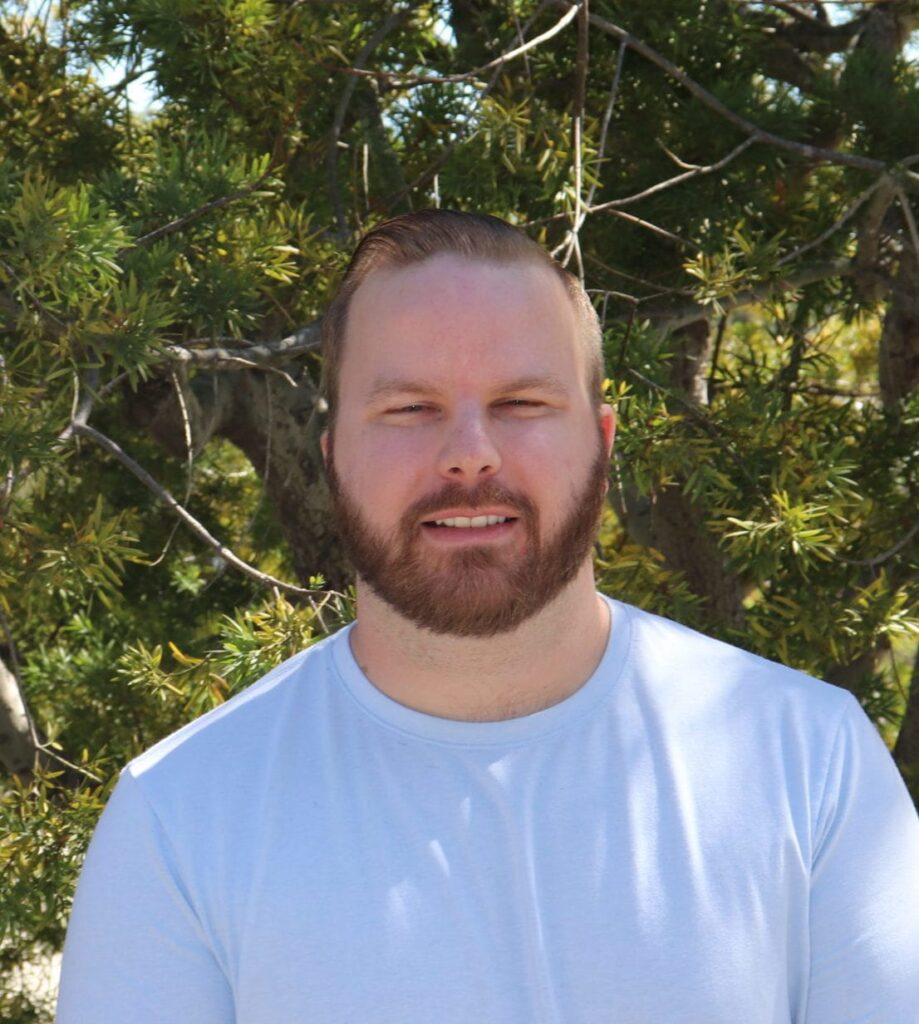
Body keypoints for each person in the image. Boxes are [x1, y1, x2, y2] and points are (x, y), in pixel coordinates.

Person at [57, 210, 919, 1023]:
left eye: (521, 404)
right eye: (409, 408)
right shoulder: (180, 818)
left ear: (604, 442)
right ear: (332, 455)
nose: (469, 452)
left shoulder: (807, 764)